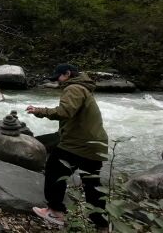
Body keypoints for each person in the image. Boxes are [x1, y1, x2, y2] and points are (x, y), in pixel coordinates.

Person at [26, 63, 109, 231]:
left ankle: (55, 213)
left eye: (59, 76)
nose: (57, 80)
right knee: (92, 182)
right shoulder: (85, 88)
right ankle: (100, 222)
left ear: (67, 74)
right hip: (96, 144)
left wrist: (40, 111)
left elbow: (65, 111)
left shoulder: (74, 88)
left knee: (54, 170)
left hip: (78, 144)